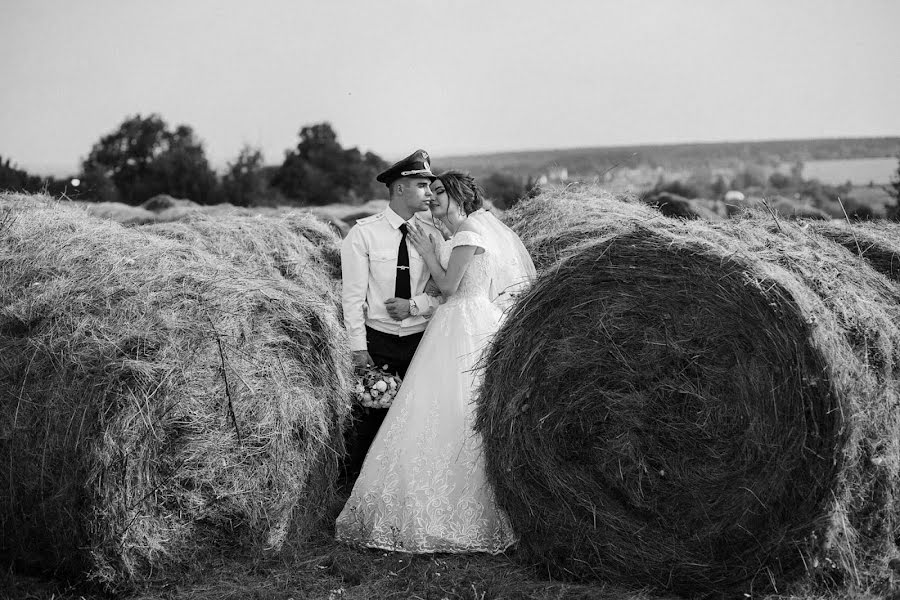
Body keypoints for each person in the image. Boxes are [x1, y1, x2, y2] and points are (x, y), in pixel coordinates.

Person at [335, 170, 536, 554]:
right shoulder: (392, 232)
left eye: (439, 190)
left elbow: (445, 287)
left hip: (461, 325)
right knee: (432, 408)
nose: (431, 197)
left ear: (459, 195)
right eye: (427, 188)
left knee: (456, 407)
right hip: (434, 327)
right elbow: (424, 290)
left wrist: (428, 256)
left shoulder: (466, 233)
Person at [340, 149, 445, 478]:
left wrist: (416, 306)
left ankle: (407, 480)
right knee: (370, 418)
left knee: (416, 415)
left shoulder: (432, 233)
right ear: (400, 188)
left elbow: (439, 290)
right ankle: (357, 485)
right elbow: (353, 297)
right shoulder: (363, 234)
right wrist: (358, 347)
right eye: (422, 186)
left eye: (430, 186)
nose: (429, 193)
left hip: (420, 340)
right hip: (379, 340)